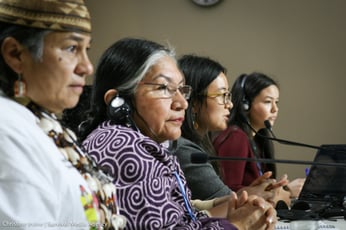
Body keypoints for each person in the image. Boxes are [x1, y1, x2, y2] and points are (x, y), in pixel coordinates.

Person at [79, 37, 277, 229]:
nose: (182, 103)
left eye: (182, 89)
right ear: (118, 100)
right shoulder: (126, 148)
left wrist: (239, 211)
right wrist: (238, 226)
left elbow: (184, 220)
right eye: (164, 88)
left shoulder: (139, 143)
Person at [0, 0, 125, 229]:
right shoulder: (6, 129)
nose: (87, 67)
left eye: (86, 49)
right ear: (16, 54)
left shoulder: (39, 121)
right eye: (71, 48)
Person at [175, 54, 289, 207]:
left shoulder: (202, 143)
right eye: (222, 95)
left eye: (228, 95)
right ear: (194, 102)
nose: (230, 104)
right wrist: (273, 194)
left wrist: (254, 190)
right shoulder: (184, 150)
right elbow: (228, 205)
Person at [213, 72, 305, 201]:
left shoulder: (258, 139)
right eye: (268, 102)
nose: (275, 109)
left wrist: (277, 186)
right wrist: (286, 190)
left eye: (276, 102)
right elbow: (228, 192)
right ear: (246, 105)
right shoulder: (236, 137)